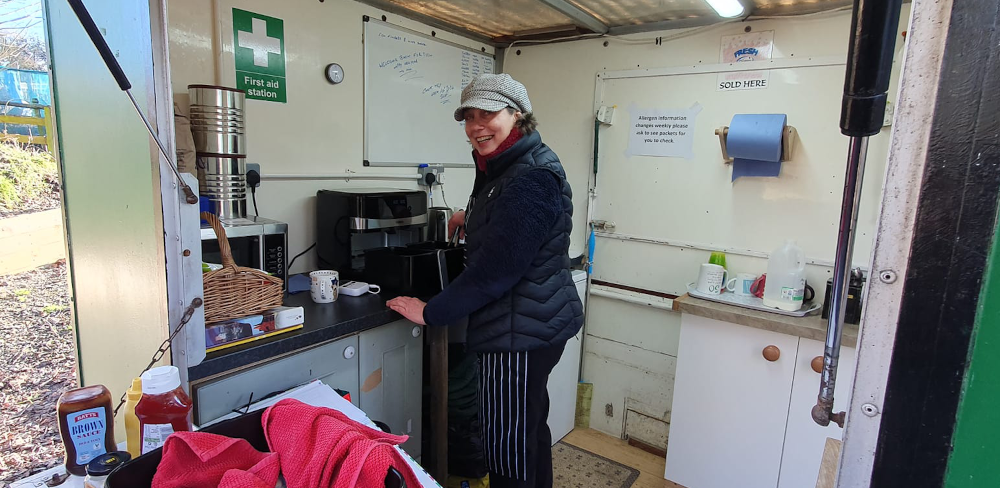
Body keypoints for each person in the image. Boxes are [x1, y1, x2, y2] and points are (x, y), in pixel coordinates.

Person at [387, 73, 583, 488]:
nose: (477, 126)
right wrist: (468, 215)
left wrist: (432, 311)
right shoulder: (506, 163)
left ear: (517, 114)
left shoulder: (530, 176)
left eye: (488, 113)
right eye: (469, 117)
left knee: (507, 451)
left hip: (518, 335)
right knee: (528, 436)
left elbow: (497, 271)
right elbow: (507, 219)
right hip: (535, 321)